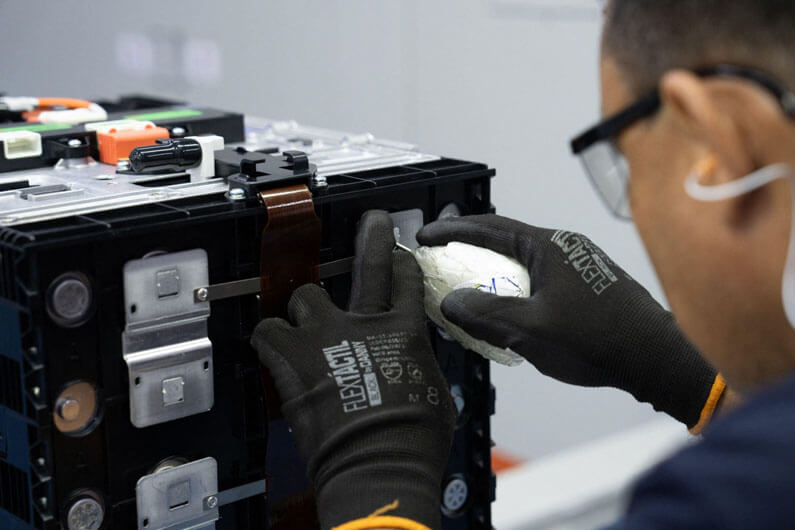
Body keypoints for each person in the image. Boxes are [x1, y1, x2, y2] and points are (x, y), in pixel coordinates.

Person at [251, 1, 795, 528]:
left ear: (726, 148)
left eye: (624, 161)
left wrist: (376, 476)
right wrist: (687, 376)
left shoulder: (718, 501)